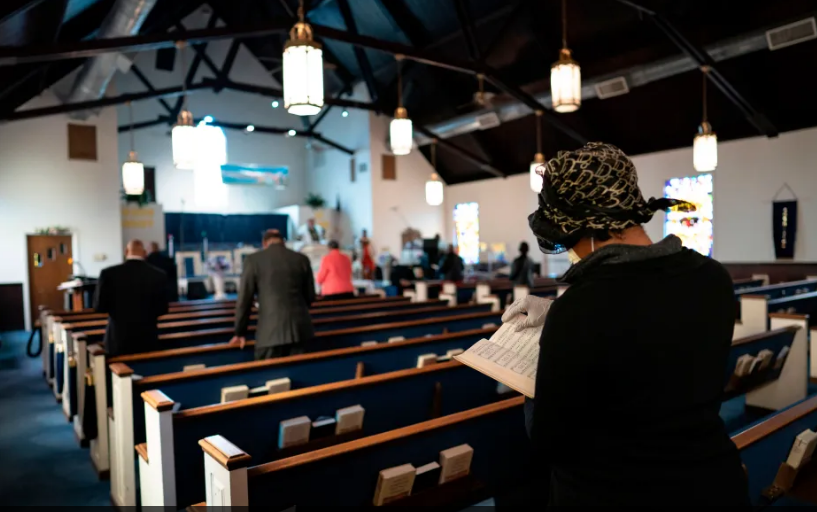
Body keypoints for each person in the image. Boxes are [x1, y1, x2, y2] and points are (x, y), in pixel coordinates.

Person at [502, 143, 749, 506]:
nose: (570, 249)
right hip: (709, 483)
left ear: (585, 226)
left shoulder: (582, 307)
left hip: (612, 491)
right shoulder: (712, 278)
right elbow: (651, 319)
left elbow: (549, 440)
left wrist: (531, 378)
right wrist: (560, 313)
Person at [231, 229, 316, 360]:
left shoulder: (253, 260)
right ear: (284, 242)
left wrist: (240, 332)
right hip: (302, 331)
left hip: (269, 334)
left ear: (264, 243)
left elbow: (244, 299)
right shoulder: (302, 259)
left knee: (270, 377)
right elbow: (310, 297)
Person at [93, 239, 169, 357]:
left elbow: (99, 307)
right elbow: (163, 309)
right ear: (144, 253)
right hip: (147, 338)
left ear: (126, 251)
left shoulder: (108, 273)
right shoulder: (159, 275)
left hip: (118, 339)